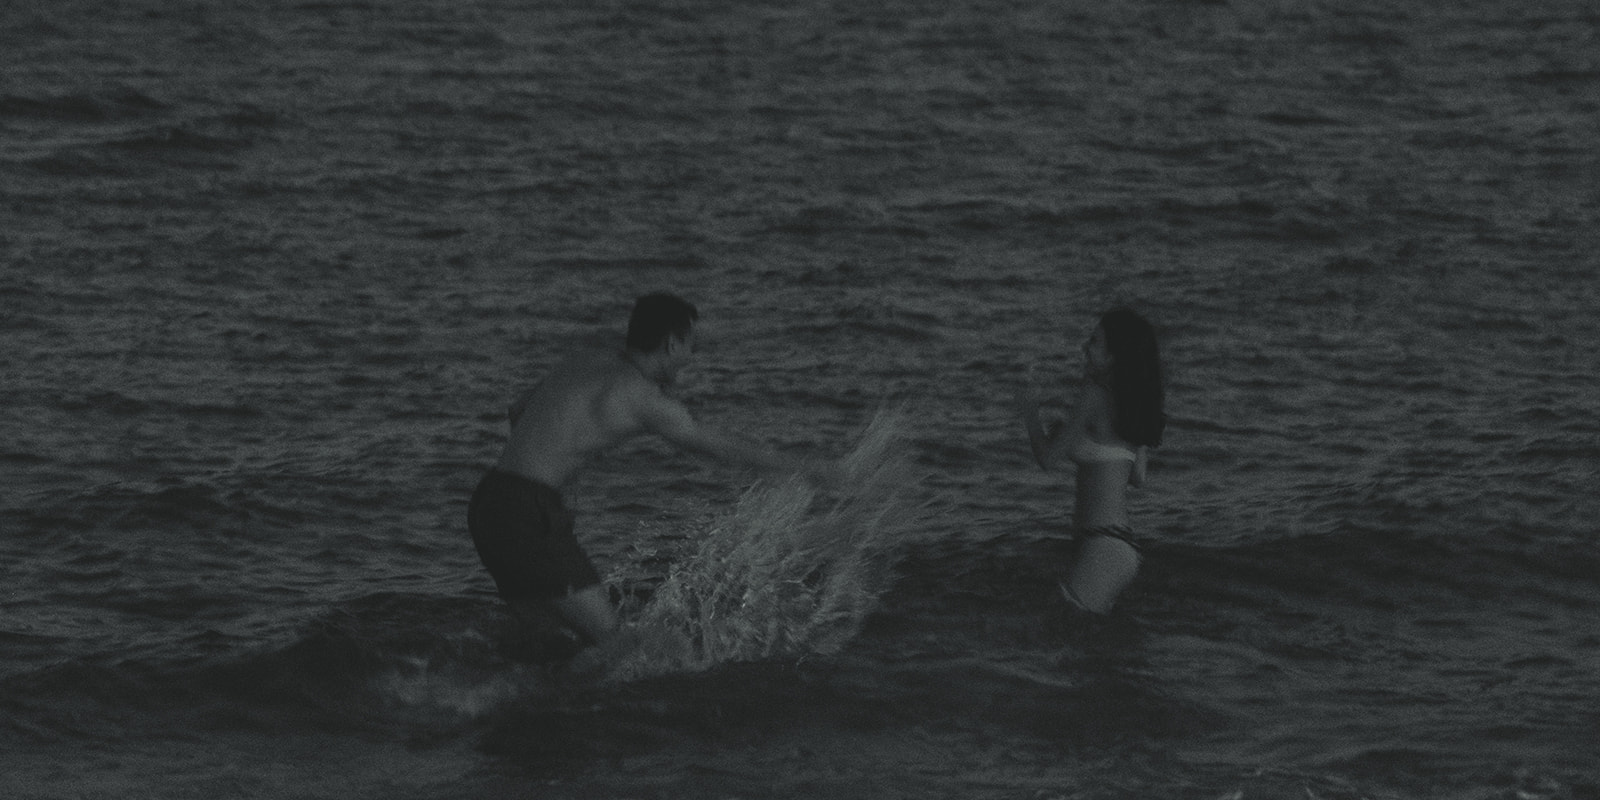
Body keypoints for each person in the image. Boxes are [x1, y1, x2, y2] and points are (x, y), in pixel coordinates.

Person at [467, 293, 835, 659]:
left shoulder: (583, 361)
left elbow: (517, 411)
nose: (692, 357)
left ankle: (488, 700)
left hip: (488, 503)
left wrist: (551, 473)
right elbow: (721, 448)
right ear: (672, 344)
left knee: (545, 640)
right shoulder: (644, 399)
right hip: (528, 514)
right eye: (691, 346)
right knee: (621, 646)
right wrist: (809, 469)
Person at [1019, 308, 1165, 614]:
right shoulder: (1132, 406)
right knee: (1087, 651)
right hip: (1118, 546)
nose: (1085, 347)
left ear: (1113, 356)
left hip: (1101, 546)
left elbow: (1047, 459)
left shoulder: (1094, 395)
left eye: (1094, 342)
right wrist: (1082, 451)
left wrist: (1030, 412)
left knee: (1059, 629)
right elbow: (1137, 477)